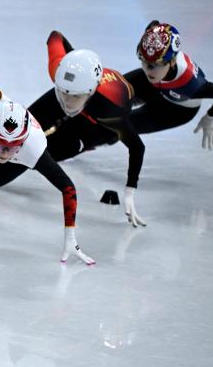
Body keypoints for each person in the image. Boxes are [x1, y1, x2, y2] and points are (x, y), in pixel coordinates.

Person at [0, 75, 95, 265]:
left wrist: (71, 236)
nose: (5, 153)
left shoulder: (34, 150)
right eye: (1, 145)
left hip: (7, 168)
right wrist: (2, 98)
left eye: (12, 147)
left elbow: (68, 188)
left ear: (23, 143)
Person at [28, 30, 147, 228]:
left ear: (90, 92)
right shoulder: (61, 72)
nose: (67, 101)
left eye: (73, 96)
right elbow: (55, 36)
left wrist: (129, 192)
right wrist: (74, 57)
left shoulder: (111, 111)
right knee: (23, 123)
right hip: (81, 96)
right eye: (63, 92)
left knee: (49, 152)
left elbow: (137, 147)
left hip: (97, 125)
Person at [124, 21, 213, 148]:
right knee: (109, 92)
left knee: (120, 127)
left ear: (172, 61)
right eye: (143, 59)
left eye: (156, 64)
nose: (147, 69)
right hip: (160, 85)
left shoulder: (191, 84)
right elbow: (155, 25)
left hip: (176, 110)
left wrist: (210, 117)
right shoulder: (151, 48)